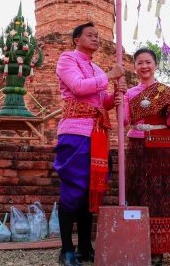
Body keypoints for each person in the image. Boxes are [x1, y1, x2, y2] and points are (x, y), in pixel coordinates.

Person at [54, 22, 126, 266]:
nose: (95, 39)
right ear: (77, 39)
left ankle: (85, 246)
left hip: (97, 134)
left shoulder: (95, 67)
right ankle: (66, 249)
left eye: (97, 35)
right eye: (90, 35)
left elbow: (99, 101)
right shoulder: (67, 59)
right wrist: (109, 76)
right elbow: (78, 87)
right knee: (73, 190)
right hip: (75, 133)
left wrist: (114, 97)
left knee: (91, 192)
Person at [120, 48, 170, 266]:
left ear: (155, 65)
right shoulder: (129, 93)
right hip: (137, 147)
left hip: (162, 149)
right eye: (140, 63)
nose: (144, 66)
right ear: (134, 66)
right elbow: (124, 122)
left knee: (160, 196)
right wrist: (117, 100)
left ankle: (158, 250)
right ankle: (135, 243)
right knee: (136, 192)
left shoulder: (166, 91)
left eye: (148, 62)